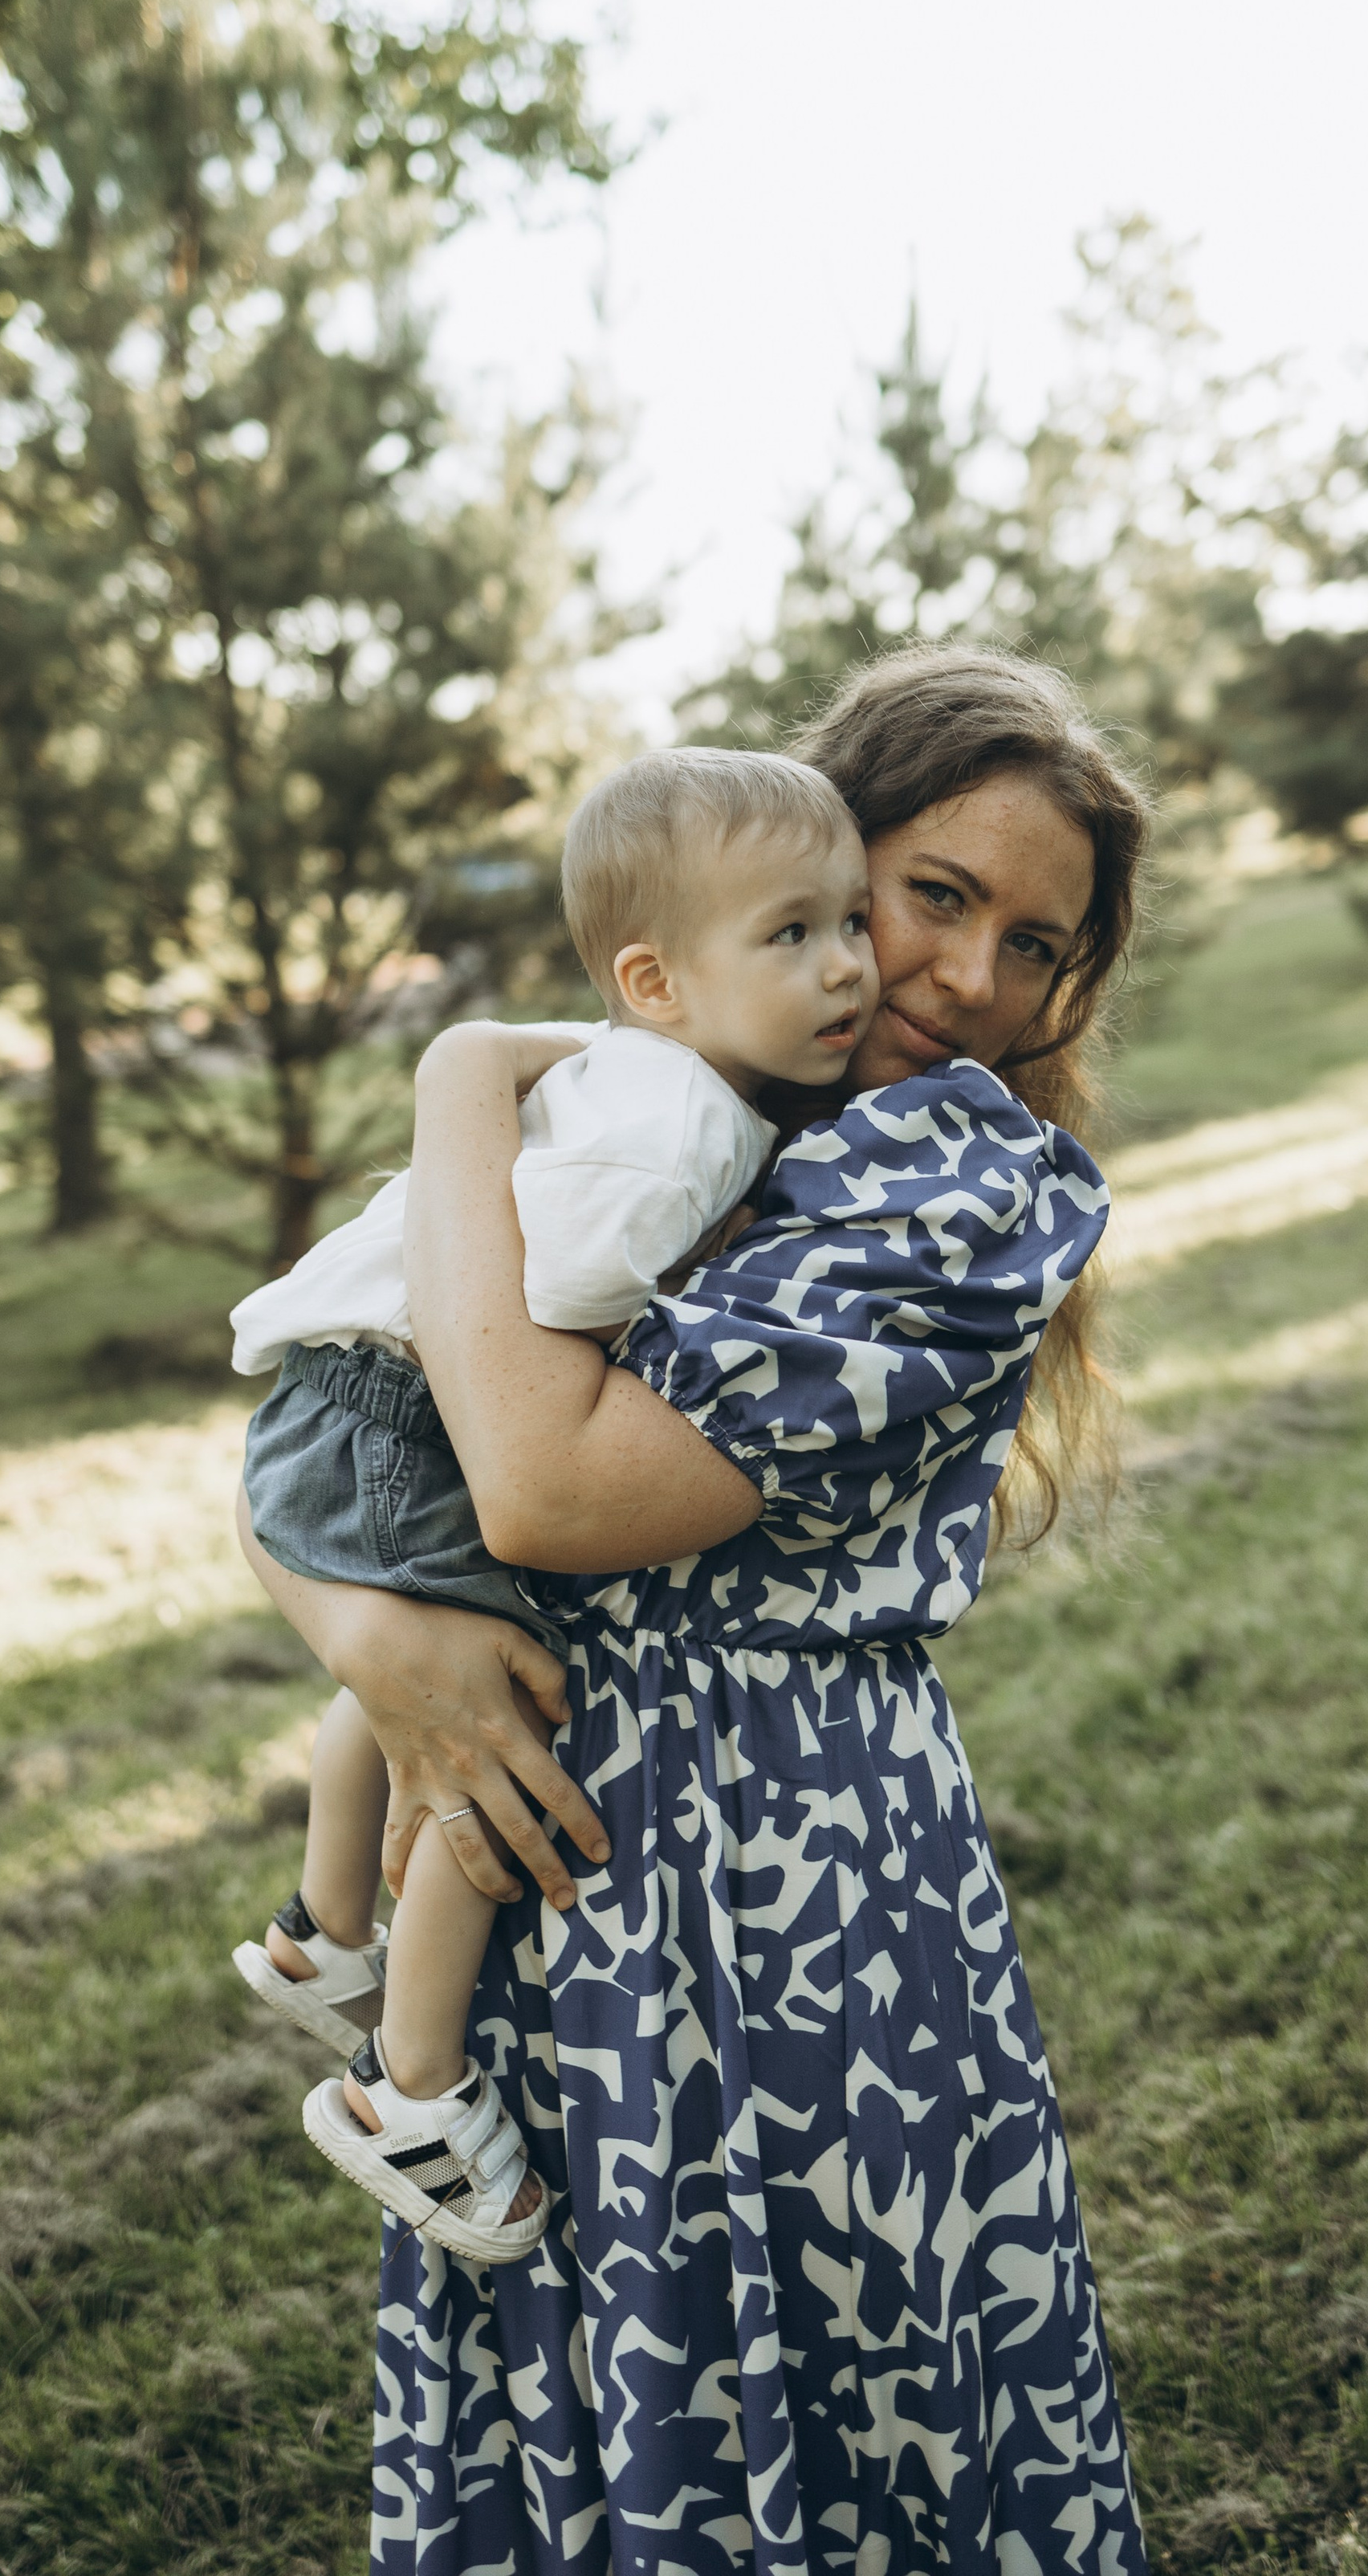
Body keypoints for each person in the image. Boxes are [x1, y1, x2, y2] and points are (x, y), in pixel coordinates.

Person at [239, 644, 1152, 2576]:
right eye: (931, 900)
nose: (971, 982)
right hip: (547, 1851)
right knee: (586, 2383)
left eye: (1035, 943)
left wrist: (455, 1071)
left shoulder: (960, 1182)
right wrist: (369, 1642)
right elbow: (346, 1406)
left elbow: (541, 1488)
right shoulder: (667, 1117)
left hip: (789, 1881)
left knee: (846, 2397)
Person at [226, 749, 876, 2261]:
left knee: (408, 1671)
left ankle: (321, 1931)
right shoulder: (689, 1129)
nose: (847, 965)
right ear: (655, 978)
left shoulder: (630, 1069)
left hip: (330, 1392)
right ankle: (413, 2084)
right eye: (792, 935)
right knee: (502, 1734)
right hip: (415, 1411)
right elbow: (552, 1304)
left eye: (850, 921)